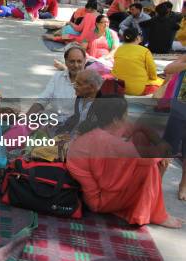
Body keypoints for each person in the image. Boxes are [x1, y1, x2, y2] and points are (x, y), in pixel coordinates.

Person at [67, 96, 181, 228]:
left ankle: (149, 201)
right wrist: (163, 154)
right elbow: (150, 160)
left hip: (90, 191)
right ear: (116, 120)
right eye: (125, 115)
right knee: (151, 168)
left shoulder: (98, 129)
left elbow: (141, 127)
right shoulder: (111, 142)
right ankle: (156, 214)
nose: (127, 118)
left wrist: (160, 142)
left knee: (139, 137)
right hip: (98, 201)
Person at [28, 45, 86, 124]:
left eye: (79, 61)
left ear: (85, 61)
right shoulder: (58, 77)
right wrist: (27, 117)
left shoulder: (89, 82)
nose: (76, 65)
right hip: (51, 118)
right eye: (72, 61)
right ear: (66, 62)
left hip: (72, 125)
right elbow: (43, 99)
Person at [111, 28, 163, 96]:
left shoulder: (119, 49)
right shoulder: (145, 51)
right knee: (163, 83)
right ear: (138, 37)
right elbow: (152, 73)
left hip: (120, 87)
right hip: (137, 90)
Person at [162, 55, 186, 200]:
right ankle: (156, 183)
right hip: (179, 109)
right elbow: (168, 69)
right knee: (167, 149)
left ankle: (183, 185)